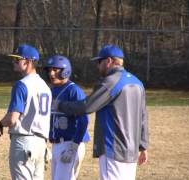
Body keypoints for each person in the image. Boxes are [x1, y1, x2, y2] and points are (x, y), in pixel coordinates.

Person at [54, 44, 149, 180]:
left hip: (113, 148)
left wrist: (60, 105)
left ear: (109, 61)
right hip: (131, 151)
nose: (98, 66)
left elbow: (87, 106)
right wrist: (143, 146)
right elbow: (143, 117)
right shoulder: (137, 82)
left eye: (99, 62)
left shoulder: (111, 81)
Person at [0, 44, 52, 180]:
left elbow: (12, 118)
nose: (13, 62)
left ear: (28, 62)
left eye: (17, 59)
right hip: (41, 144)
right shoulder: (45, 87)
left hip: (24, 142)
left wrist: (0, 124)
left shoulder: (21, 84)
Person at [44, 55, 90, 180]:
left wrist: (74, 146)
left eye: (55, 69)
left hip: (71, 144)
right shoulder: (50, 90)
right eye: (49, 70)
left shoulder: (73, 90)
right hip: (56, 144)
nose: (51, 73)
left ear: (65, 71)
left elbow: (84, 120)